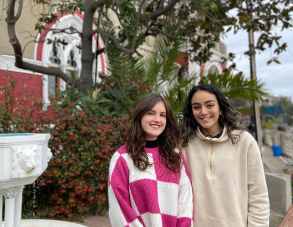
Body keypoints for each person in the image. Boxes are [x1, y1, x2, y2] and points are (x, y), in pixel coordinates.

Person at [180, 84, 269, 227]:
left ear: (220, 108)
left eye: (209, 105)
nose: (203, 112)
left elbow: (258, 195)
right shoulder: (184, 144)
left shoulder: (245, 142)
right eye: (196, 107)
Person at [108, 93, 193, 227]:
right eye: (151, 113)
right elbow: (119, 209)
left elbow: (185, 201)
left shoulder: (175, 155)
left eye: (162, 115)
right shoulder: (122, 158)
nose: (157, 119)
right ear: (140, 116)